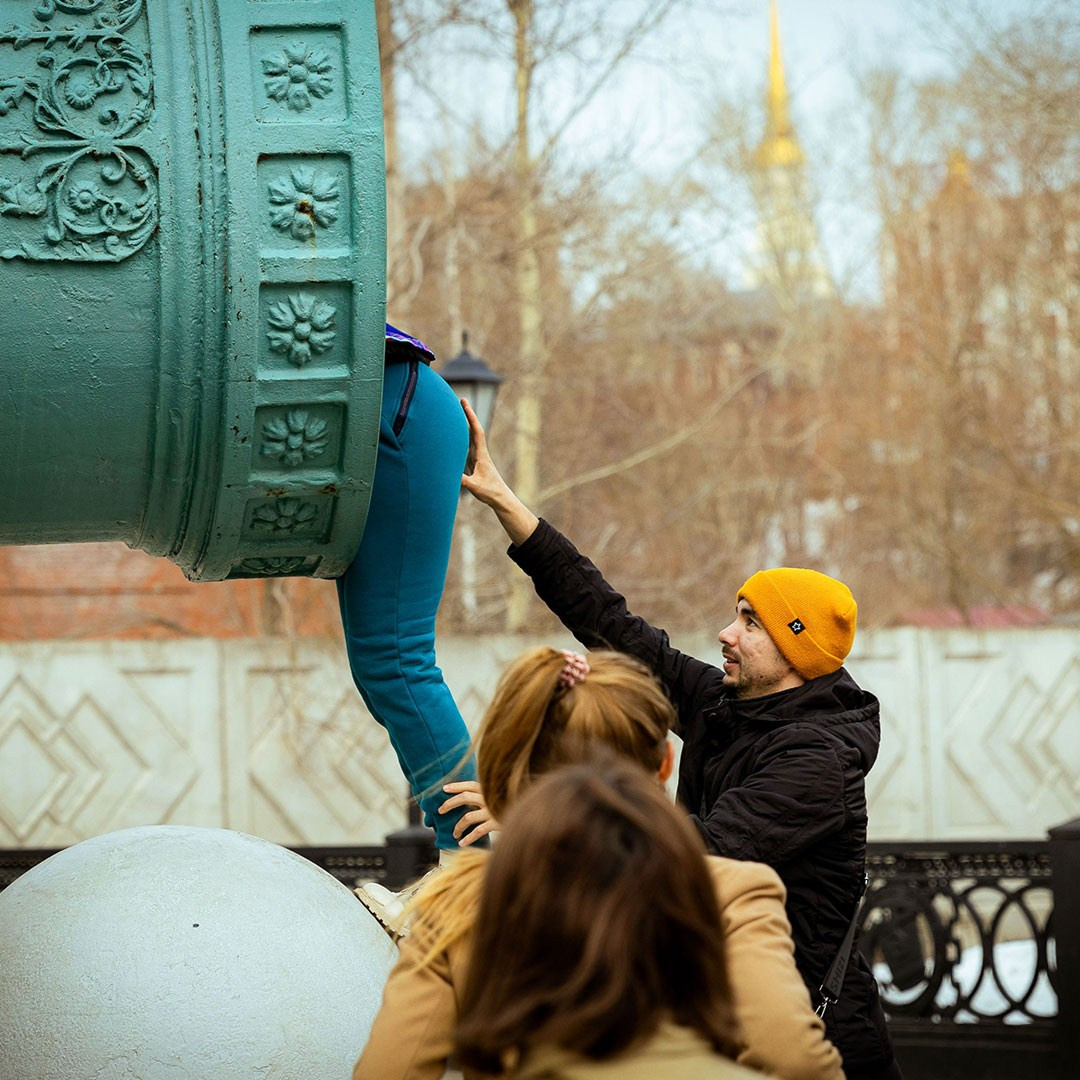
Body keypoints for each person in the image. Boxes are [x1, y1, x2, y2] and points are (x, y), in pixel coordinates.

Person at [459, 398, 902, 1080]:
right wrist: (502, 499)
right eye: (735, 615)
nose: (727, 633)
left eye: (751, 622)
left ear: (799, 650)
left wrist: (536, 814)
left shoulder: (819, 762)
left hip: (812, 1044)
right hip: (723, 1022)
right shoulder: (726, 705)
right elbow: (611, 624)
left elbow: (696, 852)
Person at [354, 646, 843, 1080]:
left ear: (516, 772)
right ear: (665, 764)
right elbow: (795, 1062)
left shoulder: (458, 906)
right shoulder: (733, 893)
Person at [454, 755, 761, 1080]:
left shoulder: (464, 899)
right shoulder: (727, 883)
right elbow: (792, 1047)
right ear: (666, 763)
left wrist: (527, 821)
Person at [336, 325, 477, 865]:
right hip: (408, 413)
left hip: (407, 418)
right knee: (379, 671)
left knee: (398, 660)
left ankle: (465, 869)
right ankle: (462, 865)